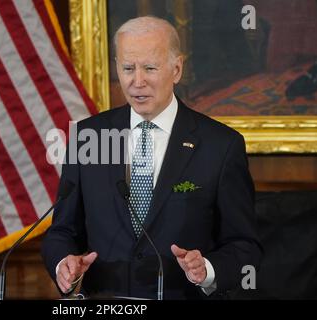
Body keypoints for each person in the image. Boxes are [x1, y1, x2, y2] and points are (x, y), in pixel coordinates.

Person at [42, 16, 262, 300]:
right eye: (128, 68)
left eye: (149, 68)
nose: (137, 82)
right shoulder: (89, 137)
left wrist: (207, 269)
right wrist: (64, 264)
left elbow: (245, 246)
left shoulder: (221, 145)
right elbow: (61, 232)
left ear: (177, 69)